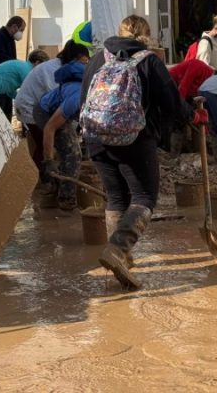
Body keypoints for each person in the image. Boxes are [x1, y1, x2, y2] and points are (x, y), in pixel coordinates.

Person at [81, 15, 194, 290]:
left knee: (116, 197)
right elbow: (172, 105)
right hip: (134, 140)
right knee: (144, 197)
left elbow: (83, 97)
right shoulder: (149, 61)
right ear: (147, 34)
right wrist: (190, 116)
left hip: (96, 137)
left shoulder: (98, 58)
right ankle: (118, 250)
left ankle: (122, 257)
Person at [15, 41, 90, 171]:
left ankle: (44, 175)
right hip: (30, 107)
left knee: (52, 142)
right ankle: (41, 178)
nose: (85, 66)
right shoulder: (54, 69)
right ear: (75, 59)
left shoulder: (66, 69)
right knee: (46, 144)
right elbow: (60, 101)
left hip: (42, 104)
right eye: (83, 62)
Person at [37, 52, 90, 211]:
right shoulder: (77, 98)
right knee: (73, 154)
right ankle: (65, 199)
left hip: (60, 111)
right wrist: (48, 161)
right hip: (45, 112)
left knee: (71, 150)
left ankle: (53, 191)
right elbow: (49, 128)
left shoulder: (93, 95)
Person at [0, 50, 48, 116]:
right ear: (37, 62)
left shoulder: (22, 65)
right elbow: (31, 92)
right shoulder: (27, 70)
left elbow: (10, 91)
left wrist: (18, 98)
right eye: (43, 66)